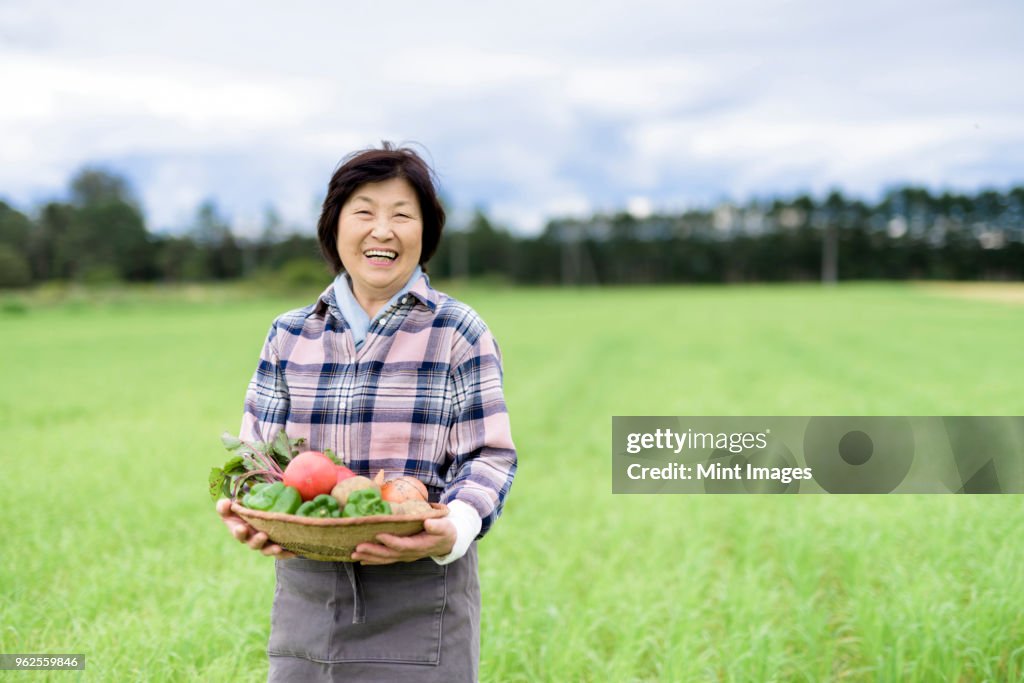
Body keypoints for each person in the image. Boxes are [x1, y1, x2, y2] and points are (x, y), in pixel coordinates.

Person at [216, 142, 517, 682]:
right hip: (308, 589)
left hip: (420, 591)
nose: (383, 230)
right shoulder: (290, 334)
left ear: (426, 233)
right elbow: (255, 453)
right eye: (364, 212)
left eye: (402, 214)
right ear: (335, 226)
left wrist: (454, 528)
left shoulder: (458, 331)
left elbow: (489, 456)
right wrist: (248, 512)